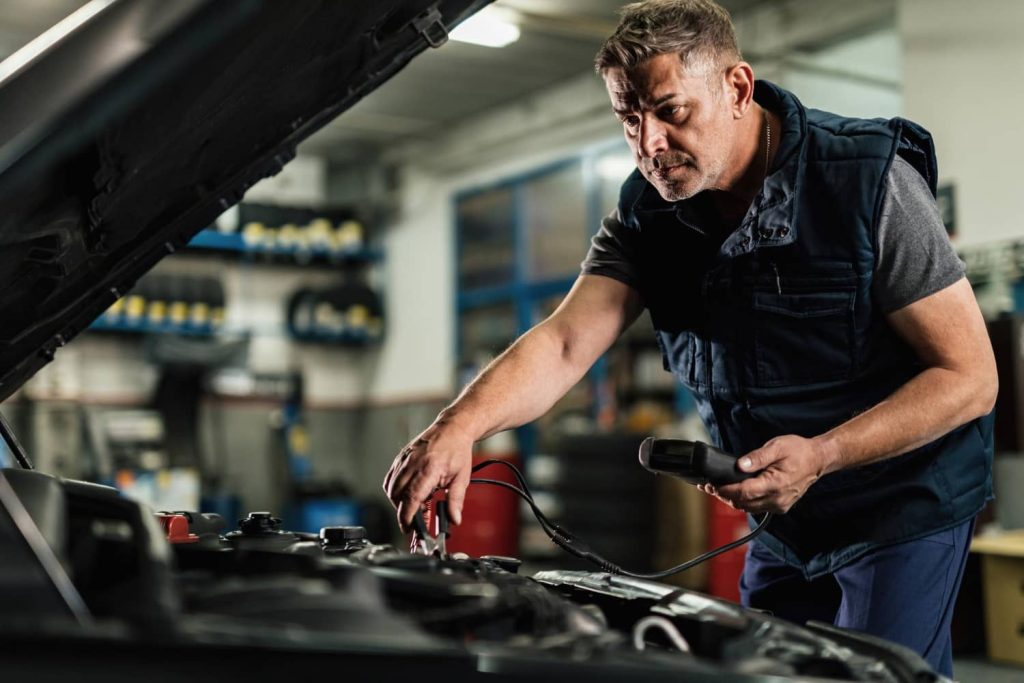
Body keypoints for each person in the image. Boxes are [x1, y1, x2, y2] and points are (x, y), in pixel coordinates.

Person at [384, 0, 996, 675]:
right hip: (783, 514)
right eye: (629, 118)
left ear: (736, 87)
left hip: (900, 501)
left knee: (876, 672)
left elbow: (970, 377)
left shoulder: (867, 183)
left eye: (670, 110)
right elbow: (565, 344)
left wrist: (822, 455)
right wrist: (458, 426)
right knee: (760, 670)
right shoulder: (647, 215)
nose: (649, 143)